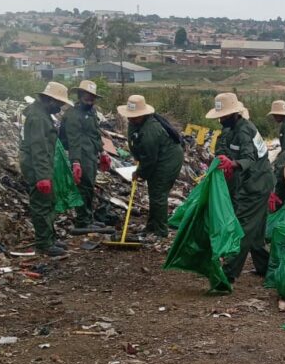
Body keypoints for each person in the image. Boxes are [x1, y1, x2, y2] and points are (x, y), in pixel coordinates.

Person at [207, 92, 274, 281]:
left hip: (256, 184)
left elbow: (249, 158)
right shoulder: (230, 129)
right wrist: (223, 159)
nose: (221, 120)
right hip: (253, 182)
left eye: (224, 116)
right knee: (256, 230)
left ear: (235, 114)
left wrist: (233, 164)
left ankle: (229, 273)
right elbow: (223, 147)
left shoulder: (245, 130)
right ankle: (265, 266)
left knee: (243, 226)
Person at [117, 95, 184, 238]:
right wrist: (137, 156)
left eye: (135, 117)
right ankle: (152, 225)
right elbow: (133, 141)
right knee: (153, 191)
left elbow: (149, 159)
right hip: (157, 155)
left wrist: (139, 173)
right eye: (130, 116)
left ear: (143, 114)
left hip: (168, 159)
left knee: (158, 193)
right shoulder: (135, 123)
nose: (131, 119)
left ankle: (161, 230)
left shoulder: (150, 130)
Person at [19, 81, 73, 257]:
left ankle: (49, 238)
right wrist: (43, 176)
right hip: (37, 168)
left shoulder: (40, 114)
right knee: (42, 204)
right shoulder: (38, 118)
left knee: (48, 202)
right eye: (59, 103)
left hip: (41, 167)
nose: (60, 107)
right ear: (50, 100)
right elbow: (39, 148)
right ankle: (44, 244)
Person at [59, 80, 110, 228]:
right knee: (83, 187)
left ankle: (89, 218)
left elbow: (95, 133)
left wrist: (102, 151)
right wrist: (75, 161)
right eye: (87, 96)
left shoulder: (91, 112)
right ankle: (83, 221)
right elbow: (73, 140)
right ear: (80, 95)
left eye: (92, 96)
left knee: (89, 186)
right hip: (79, 154)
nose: (90, 99)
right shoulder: (73, 115)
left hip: (91, 154)